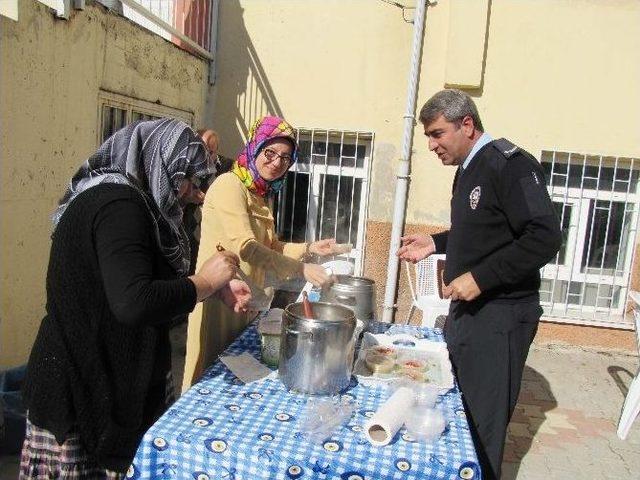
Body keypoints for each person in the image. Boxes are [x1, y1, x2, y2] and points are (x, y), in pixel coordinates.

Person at [20, 118, 251, 478]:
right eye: (185, 178)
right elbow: (134, 302)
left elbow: (146, 291)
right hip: (84, 392)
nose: (190, 192)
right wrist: (203, 282)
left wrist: (212, 288)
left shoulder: (134, 204)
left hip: (110, 379)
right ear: (159, 161)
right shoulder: (118, 206)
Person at [397, 89, 562, 479]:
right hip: (470, 313)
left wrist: (482, 278)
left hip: (501, 317)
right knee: (461, 414)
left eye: (437, 134)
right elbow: (484, 231)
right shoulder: (469, 168)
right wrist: (435, 242)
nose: (432, 145)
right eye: (428, 137)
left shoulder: (511, 165)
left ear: (467, 124)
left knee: (484, 429)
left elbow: (544, 236)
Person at [182, 116, 341, 389]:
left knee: (237, 379)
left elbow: (272, 247)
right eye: (270, 152)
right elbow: (247, 247)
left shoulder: (259, 193)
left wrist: (310, 249)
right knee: (209, 381)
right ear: (255, 147)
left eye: (286, 157)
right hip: (218, 302)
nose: (277, 162)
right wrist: (301, 270)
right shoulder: (229, 186)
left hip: (247, 300)